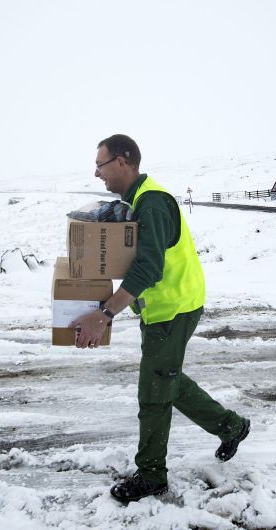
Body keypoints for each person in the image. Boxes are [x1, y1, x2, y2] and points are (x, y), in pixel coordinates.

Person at [71, 134, 250, 503]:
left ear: (122, 161)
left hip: (175, 308)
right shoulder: (137, 200)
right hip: (165, 308)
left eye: (100, 165)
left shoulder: (151, 202)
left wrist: (104, 314)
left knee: (154, 390)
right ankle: (231, 426)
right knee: (165, 377)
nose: (97, 173)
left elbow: (148, 269)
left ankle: (152, 475)